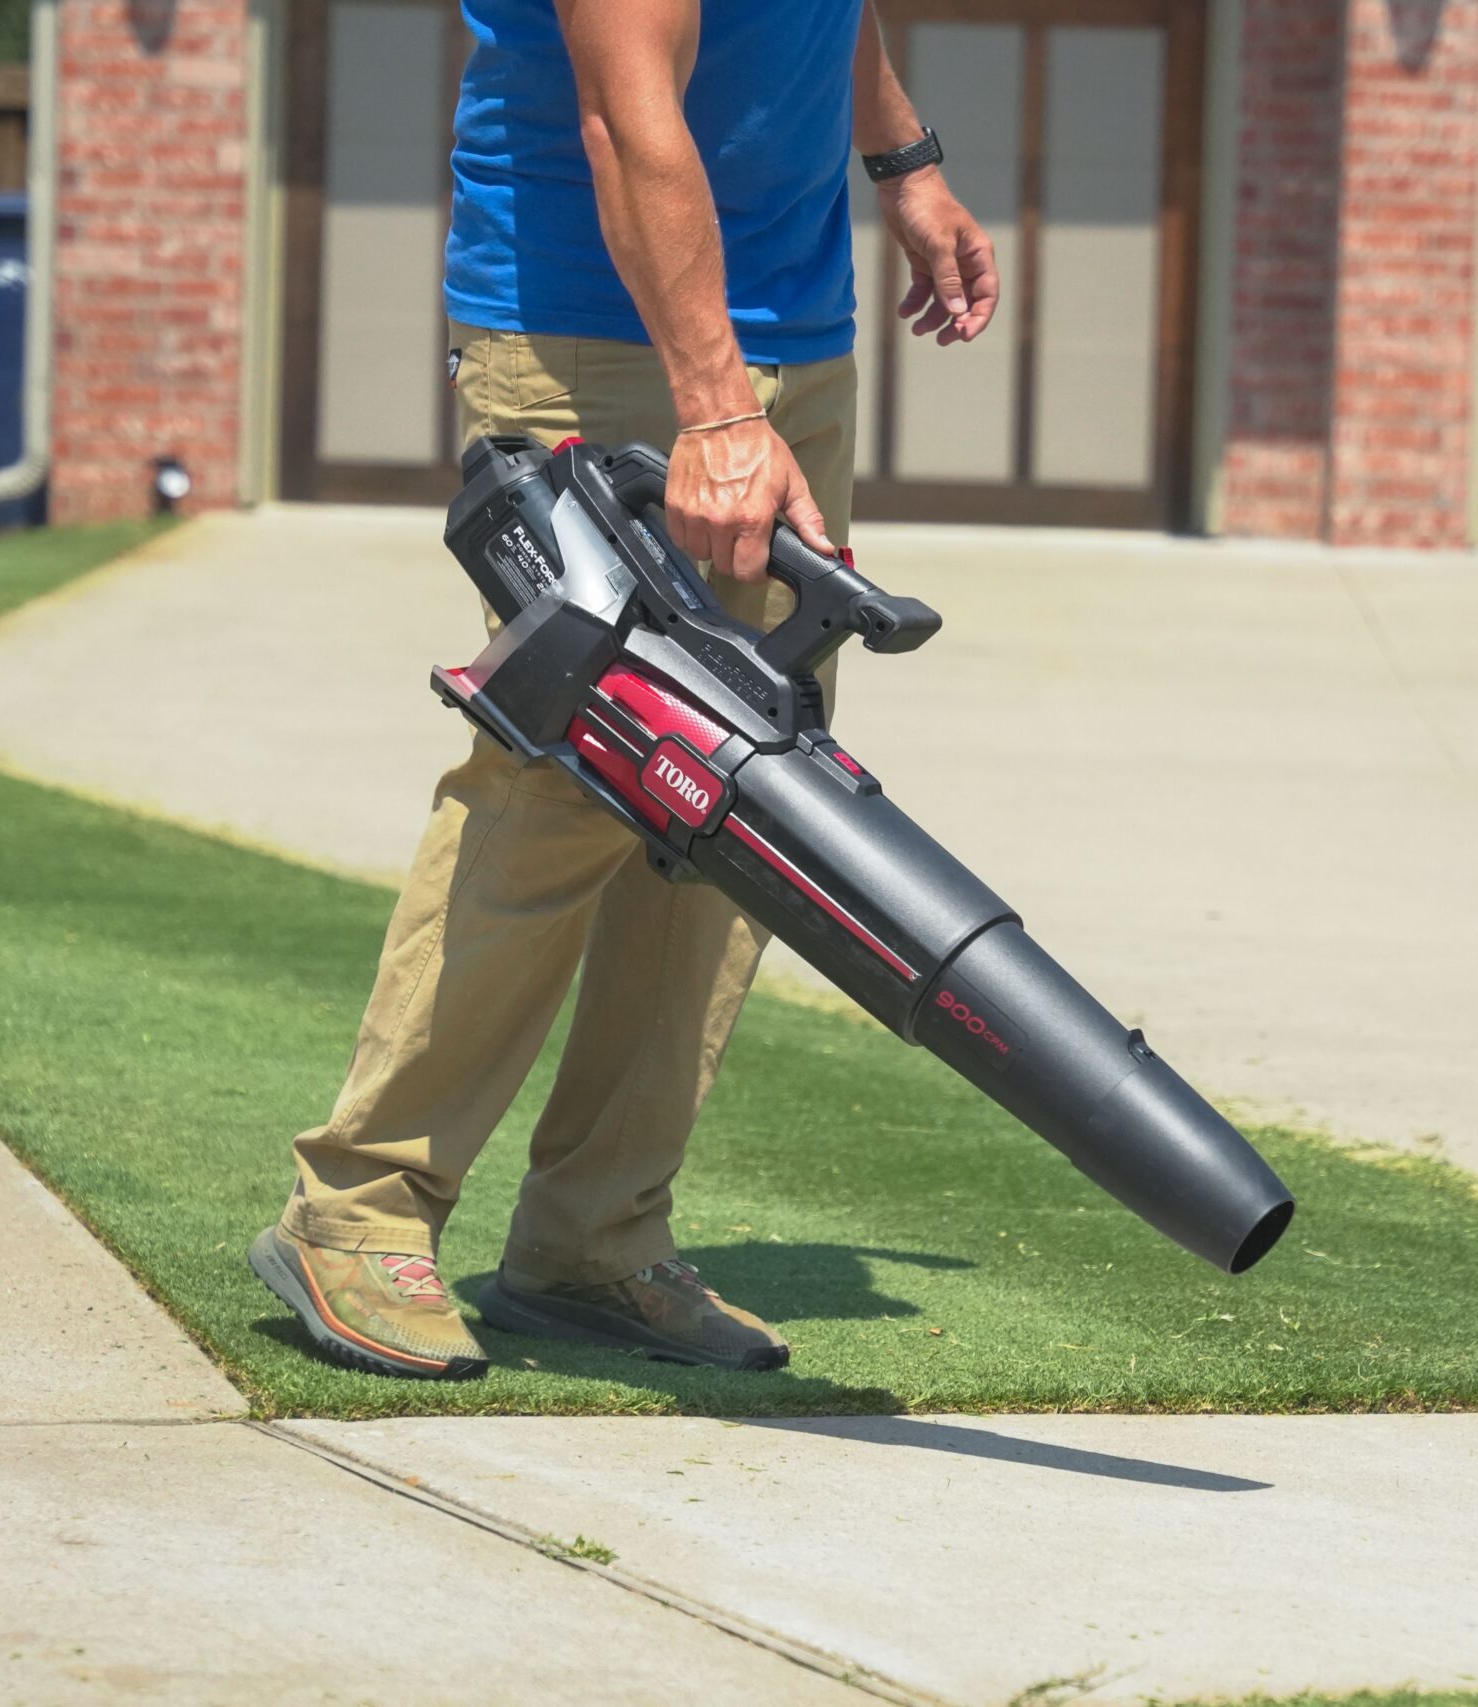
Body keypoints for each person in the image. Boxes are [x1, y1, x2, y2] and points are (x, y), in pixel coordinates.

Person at [248, 0, 999, 1379]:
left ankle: (594, 1237)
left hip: (789, 328)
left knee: (746, 802)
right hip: (607, 331)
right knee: (566, 773)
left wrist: (906, 162)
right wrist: (716, 409)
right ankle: (356, 1209)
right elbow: (623, 108)